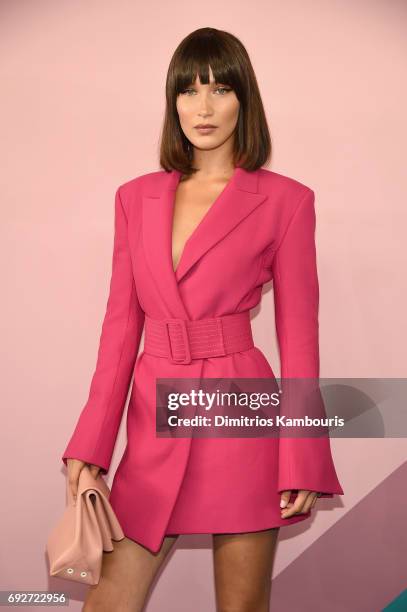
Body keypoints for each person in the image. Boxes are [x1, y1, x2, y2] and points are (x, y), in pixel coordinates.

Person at [62, 27, 344, 612]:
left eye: (220, 89)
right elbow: (119, 331)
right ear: (172, 103)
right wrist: (89, 445)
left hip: (242, 413)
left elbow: (299, 337)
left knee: (241, 608)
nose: (204, 107)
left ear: (245, 99)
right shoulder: (133, 198)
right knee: (108, 602)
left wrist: (301, 452)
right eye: (188, 92)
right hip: (154, 415)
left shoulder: (287, 200)